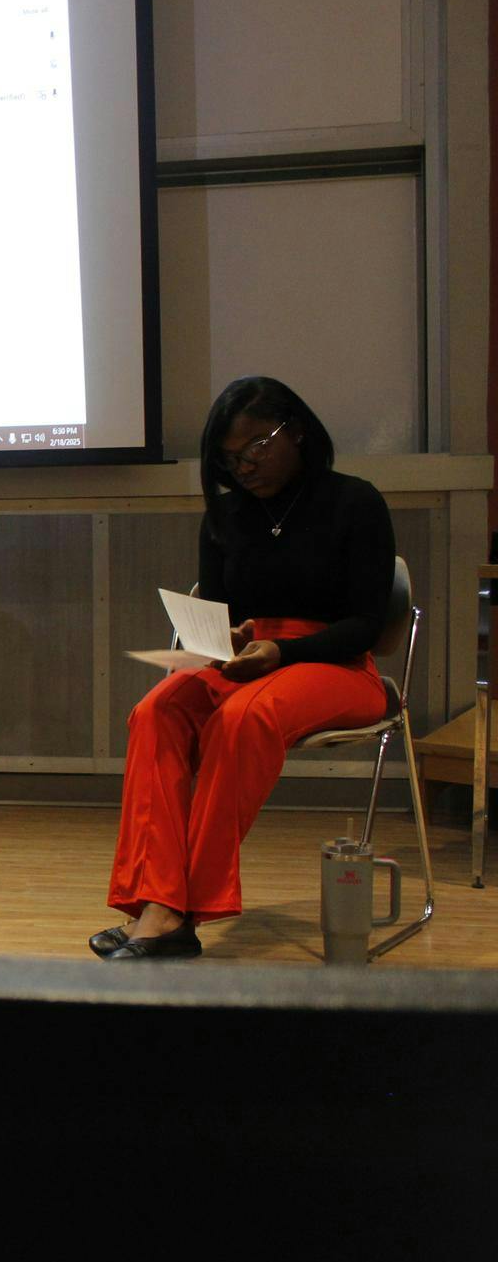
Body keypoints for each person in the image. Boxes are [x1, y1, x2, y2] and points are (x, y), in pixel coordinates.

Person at [95, 376, 395, 959]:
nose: (245, 465)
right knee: (156, 710)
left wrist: (284, 652)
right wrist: (227, 637)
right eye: (231, 457)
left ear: (297, 431)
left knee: (241, 718)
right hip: (254, 659)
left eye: (257, 445)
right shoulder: (225, 517)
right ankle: (156, 900)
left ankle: (180, 911)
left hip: (338, 663)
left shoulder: (355, 501)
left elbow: (366, 624)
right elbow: (227, 615)